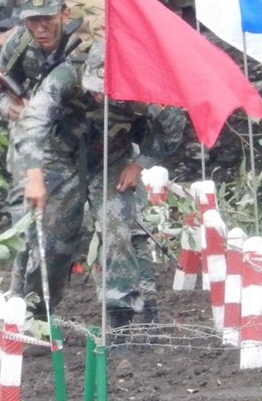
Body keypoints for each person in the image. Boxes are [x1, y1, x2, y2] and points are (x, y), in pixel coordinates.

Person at [14, 39, 186, 328]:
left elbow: (173, 125)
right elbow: (32, 120)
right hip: (61, 158)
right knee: (54, 240)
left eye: (105, 91)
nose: (98, 95)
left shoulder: (145, 85)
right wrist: (33, 176)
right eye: (93, 87)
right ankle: (37, 316)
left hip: (113, 160)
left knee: (117, 231)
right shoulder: (66, 76)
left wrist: (139, 163)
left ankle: (120, 318)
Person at [0, 0, 93, 298]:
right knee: (25, 219)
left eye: (47, 19)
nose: (40, 28)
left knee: (61, 235)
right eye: (33, 20)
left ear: (63, 13)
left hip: (78, 139)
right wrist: (9, 107)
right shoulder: (18, 43)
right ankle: (18, 299)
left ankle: (43, 302)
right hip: (33, 136)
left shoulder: (85, 43)